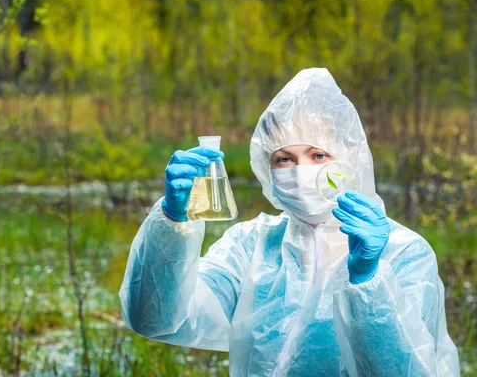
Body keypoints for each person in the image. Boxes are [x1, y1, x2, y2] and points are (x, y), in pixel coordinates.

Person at [119, 68, 460, 376]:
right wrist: (171, 222)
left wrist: (369, 282)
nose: (301, 171)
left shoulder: (403, 253)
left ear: (349, 160)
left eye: (318, 155)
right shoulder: (250, 245)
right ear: (267, 169)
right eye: (284, 159)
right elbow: (156, 319)